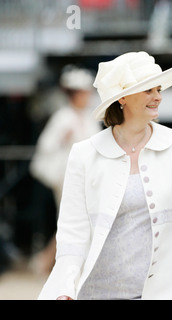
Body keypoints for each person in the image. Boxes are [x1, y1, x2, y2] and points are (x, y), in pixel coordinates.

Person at [38, 52, 172, 300]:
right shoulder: (83, 154)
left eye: (158, 89)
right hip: (99, 294)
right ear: (122, 97)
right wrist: (64, 289)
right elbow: (72, 236)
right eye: (148, 90)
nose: (158, 97)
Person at [30, 66, 101, 275]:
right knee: (71, 221)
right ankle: (51, 262)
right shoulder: (62, 117)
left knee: (82, 221)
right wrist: (62, 138)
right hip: (66, 179)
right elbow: (45, 145)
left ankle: (50, 261)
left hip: (88, 179)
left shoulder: (89, 117)